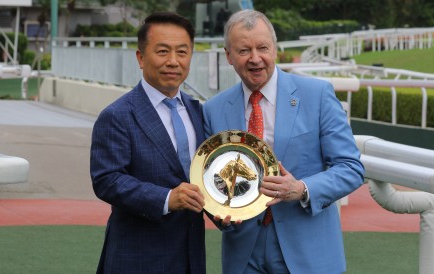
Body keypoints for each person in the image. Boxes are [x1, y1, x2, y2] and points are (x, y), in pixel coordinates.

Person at [202, 10, 365, 274]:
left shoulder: (318, 95)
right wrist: (218, 213)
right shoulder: (213, 109)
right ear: (229, 56)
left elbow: (351, 168)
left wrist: (302, 189)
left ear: (275, 49)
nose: (256, 58)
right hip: (243, 254)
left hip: (308, 251)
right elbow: (211, 179)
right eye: (244, 50)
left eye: (263, 47)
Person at [90, 12, 206, 274]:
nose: (173, 62)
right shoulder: (117, 115)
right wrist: (166, 198)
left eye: (182, 52)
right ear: (141, 58)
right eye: (163, 51)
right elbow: (107, 180)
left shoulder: (197, 111)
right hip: (137, 258)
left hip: (191, 257)